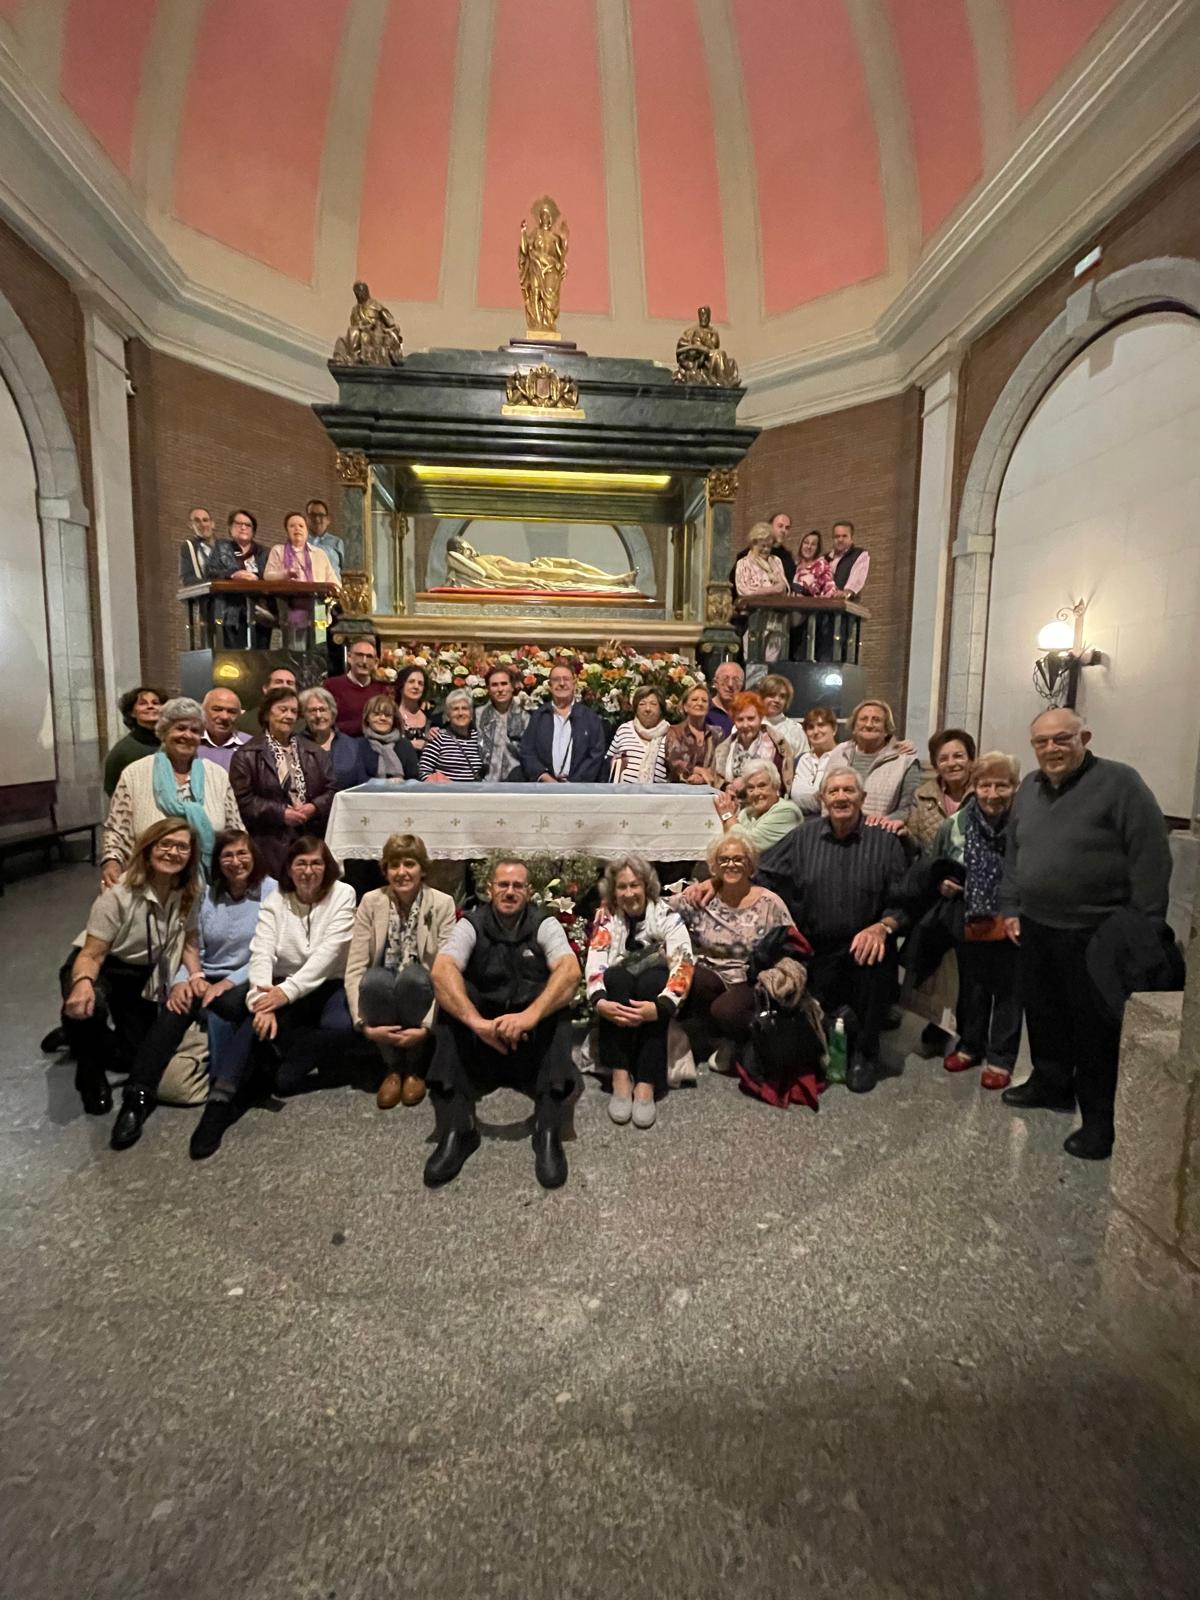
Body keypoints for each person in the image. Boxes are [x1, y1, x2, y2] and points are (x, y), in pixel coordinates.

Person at [999, 709, 1172, 1160]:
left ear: (1085, 738)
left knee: (1095, 1029)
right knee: (1045, 1014)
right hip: (1037, 925)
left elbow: (1151, 853)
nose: (1051, 749)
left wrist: (1145, 923)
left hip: (1097, 930)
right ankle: (1051, 1083)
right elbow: (1015, 851)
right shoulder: (1029, 787)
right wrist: (1011, 905)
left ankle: (1098, 1121)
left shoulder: (1120, 783)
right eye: (1041, 742)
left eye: (1062, 739)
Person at [108, 831, 279, 1154]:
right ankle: (136, 1097)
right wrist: (185, 979)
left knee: (229, 1005)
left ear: (254, 856)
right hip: (204, 974)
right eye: (227, 855)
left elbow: (269, 951)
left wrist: (226, 983)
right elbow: (191, 943)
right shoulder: (206, 895)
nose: (235, 861)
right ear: (217, 862)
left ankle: (224, 1091)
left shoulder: (271, 892)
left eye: (242, 853)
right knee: (175, 1009)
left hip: (249, 976)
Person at [425, 856, 581, 1189]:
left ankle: (548, 1130)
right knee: (451, 1001)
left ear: (529, 891)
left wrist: (530, 1016)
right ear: (489, 888)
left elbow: (570, 971)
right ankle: (458, 1130)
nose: (510, 892)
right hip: (483, 1041)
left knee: (558, 1008)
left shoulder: (544, 924)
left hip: (530, 1045)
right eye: (503, 885)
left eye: (518, 886)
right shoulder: (471, 924)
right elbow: (442, 970)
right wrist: (475, 1022)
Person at [757, 770, 910, 1092]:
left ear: (862, 798)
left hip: (865, 943)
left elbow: (905, 901)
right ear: (822, 799)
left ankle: (865, 1053)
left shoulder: (885, 841)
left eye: (849, 790)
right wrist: (719, 886)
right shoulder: (804, 836)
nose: (841, 797)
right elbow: (762, 871)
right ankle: (827, 1040)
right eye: (834, 791)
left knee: (875, 962)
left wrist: (883, 927)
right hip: (816, 944)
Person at [60, 819, 204, 1117]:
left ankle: (73, 1034)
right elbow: (92, 954)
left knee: (134, 1056)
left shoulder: (189, 891)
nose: (173, 852)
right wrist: (83, 982)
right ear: (148, 850)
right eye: (165, 844)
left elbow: (189, 937)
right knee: (90, 1005)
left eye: (181, 847)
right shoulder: (119, 894)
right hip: (102, 966)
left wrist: (195, 974)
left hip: (139, 974)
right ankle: (89, 1073)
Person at [928, 753, 1023, 1091]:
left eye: (1002, 785)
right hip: (970, 914)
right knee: (973, 985)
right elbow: (936, 864)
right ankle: (970, 1044)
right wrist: (943, 883)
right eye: (985, 785)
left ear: (1014, 787)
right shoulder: (956, 823)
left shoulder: (1024, 823)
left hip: (1014, 915)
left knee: (1010, 990)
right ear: (974, 786)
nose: (992, 793)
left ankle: (1001, 1058)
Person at [344, 832, 456, 1109]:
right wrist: (363, 1025)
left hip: (420, 990)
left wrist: (427, 1028)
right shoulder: (371, 902)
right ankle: (392, 1067)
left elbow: (445, 971)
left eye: (409, 864)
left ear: (422, 869)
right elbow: (355, 967)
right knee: (373, 980)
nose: (401, 872)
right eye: (394, 865)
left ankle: (415, 1066)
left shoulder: (442, 904)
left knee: (414, 977)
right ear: (385, 870)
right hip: (381, 992)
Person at [584, 853, 694, 1128]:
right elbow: (596, 958)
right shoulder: (607, 918)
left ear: (647, 886)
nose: (629, 893)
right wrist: (599, 1000)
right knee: (615, 977)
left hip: (653, 991)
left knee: (653, 982)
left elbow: (683, 962)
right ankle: (620, 1076)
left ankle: (646, 1082)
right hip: (619, 990)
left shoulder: (667, 916)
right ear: (613, 891)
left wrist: (661, 1007)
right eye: (622, 886)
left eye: (635, 885)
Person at [243, 837, 356, 1096]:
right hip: (285, 983)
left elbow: (329, 953)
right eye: (301, 863)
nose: (308, 871)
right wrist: (261, 1001)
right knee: (270, 1036)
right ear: (289, 868)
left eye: (316, 863)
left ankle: (299, 1061)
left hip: (330, 982)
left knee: (344, 1028)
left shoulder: (343, 893)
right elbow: (261, 952)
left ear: (327, 867)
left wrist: (286, 992)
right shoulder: (275, 898)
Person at [672, 832, 795, 1070]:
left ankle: (745, 1042)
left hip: (752, 978)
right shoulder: (701, 897)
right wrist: (610, 902)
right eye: (724, 859)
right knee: (689, 977)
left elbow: (793, 945)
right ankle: (718, 1037)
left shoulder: (770, 903)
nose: (731, 864)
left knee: (725, 1010)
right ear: (714, 867)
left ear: (751, 865)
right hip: (714, 974)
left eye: (739, 859)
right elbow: (656, 907)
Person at [101, 698, 243, 888]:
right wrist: (111, 862)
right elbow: (116, 830)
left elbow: (236, 831)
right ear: (164, 732)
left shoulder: (217, 775)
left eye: (194, 731)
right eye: (180, 728)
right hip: (148, 884)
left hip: (207, 886)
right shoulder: (135, 773)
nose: (187, 735)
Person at [229, 687, 335, 880]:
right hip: (268, 843)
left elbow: (332, 789)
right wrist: (281, 813)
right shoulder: (247, 754)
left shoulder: (315, 752)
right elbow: (243, 800)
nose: (289, 716)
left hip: (309, 838)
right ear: (267, 713)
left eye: (294, 711)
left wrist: (314, 807)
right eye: (283, 710)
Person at [825, 699, 920, 826]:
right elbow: (823, 795)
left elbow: (909, 807)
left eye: (876, 720)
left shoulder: (905, 760)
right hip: (834, 830)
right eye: (863, 719)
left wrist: (884, 822)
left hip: (878, 832)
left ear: (886, 729)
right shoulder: (838, 752)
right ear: (854, 727)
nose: (869, 724)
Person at [519, 661, 607, 783]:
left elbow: (596, 754)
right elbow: (527, 751)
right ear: (549, 685)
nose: (561, 683)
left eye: (566, 679)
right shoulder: (539, 716)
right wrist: (545, 777)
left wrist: (574, 783)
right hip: (544, 787)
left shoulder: (590, 718)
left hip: (580, 788)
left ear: (574, 684)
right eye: (556, 680)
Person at [263, 512, 339, 644]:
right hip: (287, 608)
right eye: (292, 526)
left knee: (318, 650)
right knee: (293, 650)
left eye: (301, 526)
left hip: (318, 610)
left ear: (307, 530)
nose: (297, 529)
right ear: (287, 531)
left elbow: (334, 582)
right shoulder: (278, 550)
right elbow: (267, 576)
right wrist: (285, 574)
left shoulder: (319, 554)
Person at [205, 510, 272, 648]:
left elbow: (271, 576)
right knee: (234, 655)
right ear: (230, 528)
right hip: (229, 610)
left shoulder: (264, 552)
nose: (243, 527)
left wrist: (257, 578)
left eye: (248, 525)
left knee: (260, 652)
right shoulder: (221, 547)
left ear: (253, 530)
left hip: (259, 610)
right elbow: (210, 572)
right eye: (239, 523)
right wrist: (232, 575)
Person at [906, 728, 976, 852]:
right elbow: (914, 845)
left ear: (971, 760)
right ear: (935, 766)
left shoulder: (984, 794)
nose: (951, 763)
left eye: (958, 756)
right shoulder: (921, 796)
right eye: (943, 759)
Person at [713, 691, 794, 797]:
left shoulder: (778, 746)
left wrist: (746, 783)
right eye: (740, 719)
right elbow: (718, 781)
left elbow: (781, 786)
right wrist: (727, 787)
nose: (745, 725)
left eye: (751, 719)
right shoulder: (724, 749)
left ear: (760, 718)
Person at [735, 521, 792, 664]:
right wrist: (771, 590)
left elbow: (784, 588)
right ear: (753, 544)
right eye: (763, 546)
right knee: (754, 663)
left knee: (772, 663)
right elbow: (744, 590)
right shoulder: (744, 563)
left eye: (769, 546)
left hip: (776, 621)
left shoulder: (776, 561)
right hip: (754, 620)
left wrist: (776, 589)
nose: (766, 550)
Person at [713, 761, 802, 852]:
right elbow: (727, 841)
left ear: (775, 786)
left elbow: (746, 844)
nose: (756, 793)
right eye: (751, 788)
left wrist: (727, 816)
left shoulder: (787, 811)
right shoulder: (747, 813)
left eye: (762, 786)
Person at [299, 685, 369, 790]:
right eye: (312, 710)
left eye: (323, 709)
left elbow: (362, 784)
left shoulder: (351, 745)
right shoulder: (295, 745)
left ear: (332, 712)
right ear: (304, 715)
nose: (318, 715)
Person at [103, 685, 165, 798]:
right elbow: (112, 789)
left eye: (155, 703)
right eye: (143, 703)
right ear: (132, 712)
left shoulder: (173, 743)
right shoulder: (122, 750)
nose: (150, 706)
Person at [325, 638, 393, 736]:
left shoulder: (382, 689)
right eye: (360, 655)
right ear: (349, 657)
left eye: (369, 657)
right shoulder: (332, 686)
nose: (364, 661)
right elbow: (327, 724)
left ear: (376, 662)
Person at [605, 686, 669, 783]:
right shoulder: (624, 730)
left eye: (653, 704)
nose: (648, 709)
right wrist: (614, 763)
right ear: (636, 709)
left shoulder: (671, 735)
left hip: (658, 792)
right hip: (623, 791)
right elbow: (607, 761)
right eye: (642, 704)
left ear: (661, 709)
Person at [476, 663, 528, 782]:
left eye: (504, 684)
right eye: (494, 685)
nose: (500, 689)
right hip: (486, 781)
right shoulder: (477, 715)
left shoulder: (526, 717)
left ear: (512, 687)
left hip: (518, 781)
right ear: (488, 689)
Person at [420, 689, 485, 782]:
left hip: (475, 790)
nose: (460, 713)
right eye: (455, 709)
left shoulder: (479, 739)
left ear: (471, 714)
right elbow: (423, 772)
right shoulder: (438, 738)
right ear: (448, 715)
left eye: (464, 708)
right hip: (447, 790)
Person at [664, 682, 718, 785]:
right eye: (694, 700)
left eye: (704, 701)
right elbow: (674, 762)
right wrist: (698, 771)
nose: (700, 703)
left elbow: (721, 764)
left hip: (709, 787)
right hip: (679, 789)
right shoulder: (675, 731)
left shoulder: (716, 733)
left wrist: (702, 778)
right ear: (685, 707)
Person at [790, 705, 839, 813]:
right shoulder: (802, 759)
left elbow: (832, 800)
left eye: (821, 725)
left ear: (834, 729)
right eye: (811, 727)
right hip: (798, 817)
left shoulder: (843, 757)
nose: (816, 731)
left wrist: (793, 803)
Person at [729, 510, 796, 588]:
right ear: (770, 526)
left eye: (787, 528)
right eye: (780, 526)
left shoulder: (787, 557)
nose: (783, 530)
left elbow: (789, 583)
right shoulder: (747, 554)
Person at [361, 694, 419, 780]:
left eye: (388, 715)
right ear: (367, 718)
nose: (382, 718)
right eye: (377, 714)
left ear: (394, 719)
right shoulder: (359, 746)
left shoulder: (405, 745)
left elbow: (414, 778)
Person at [197, 688, 250, 772]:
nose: (224, 717)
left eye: (232, 711)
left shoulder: (251, 745)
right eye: (217, 709)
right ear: (203, 711)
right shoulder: (190, 741)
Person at [759, 674, 810, 759]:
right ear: (761, 697)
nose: (777, 700)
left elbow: (804, 763)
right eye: (772, 695)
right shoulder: (747, 724)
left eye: (782, 697)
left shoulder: (795, 730)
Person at [393, 664, 432, 756]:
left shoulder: (431, 716)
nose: (416, 686)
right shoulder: (391, 715)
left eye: (420, 683)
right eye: (411, 681)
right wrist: (409, 745)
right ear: (401, 685)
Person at [827, 519, 869, 600]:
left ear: (851, 539)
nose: (840, 539)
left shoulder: (859, 554)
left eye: (844, 536)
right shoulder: (825, 559)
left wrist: (846, 593)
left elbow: (856, 579)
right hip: (823, 604)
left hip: (847, 605)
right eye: (837, 536)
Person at [305, 499, 344, 581]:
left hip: (332, 587)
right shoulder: (300, 542)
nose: (317, 519)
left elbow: (345, 571)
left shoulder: (337, 542)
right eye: (313, 515)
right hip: (307, 587)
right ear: (306, 519)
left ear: (328, 519)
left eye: (321, 515)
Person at [705, 661, 744, 740]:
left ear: (741, 685)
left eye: (736, 680)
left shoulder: (746, 711)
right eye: (725, 679)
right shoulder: (704, 709)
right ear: (715, 683)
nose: (730, 684)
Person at [179, 505, 217, 584]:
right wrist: (211, 584)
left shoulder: (224, 546)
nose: (202, 524)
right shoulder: (188, 547)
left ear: (212, 524)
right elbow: (186, 578)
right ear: (190, 525)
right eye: (197, 521)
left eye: (205, 520)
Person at [792, 530, 836, 597]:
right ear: (801, 545)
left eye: (813, 544)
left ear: (817, 548)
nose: (809, 547)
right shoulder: (795, 566)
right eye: (806, 542)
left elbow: (830, 591)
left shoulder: (822, 566)